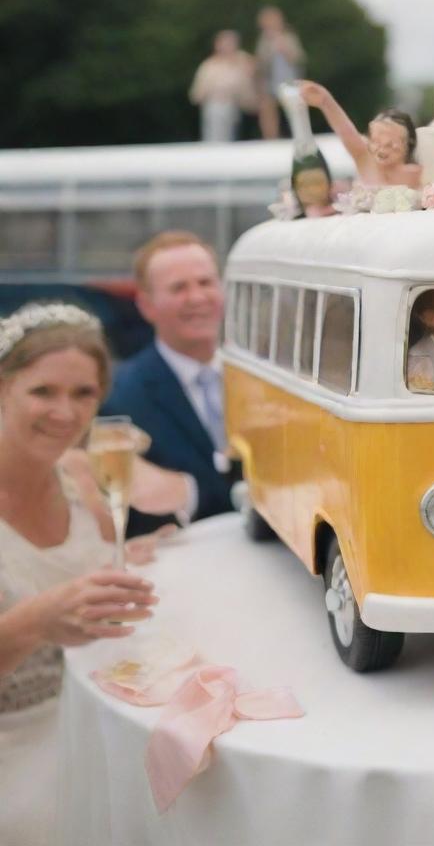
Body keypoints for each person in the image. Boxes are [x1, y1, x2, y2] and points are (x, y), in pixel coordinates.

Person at [0, 303, 166, 846]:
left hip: (100, 711)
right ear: (4, 389)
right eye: (43, 392)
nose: (65, 414)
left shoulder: (78, 473)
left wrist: (129, 557)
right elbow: (50, 609)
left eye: (83, 395)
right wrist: (35, 620)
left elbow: (91, 566)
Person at [102, 231, 238, 535]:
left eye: (205, 282)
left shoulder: (262, 376)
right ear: (147, 305)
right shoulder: (119, 395)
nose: (197, 298)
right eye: (179, 288)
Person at [299, 82, 422, 188]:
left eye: (390, 144)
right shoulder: (365, 160)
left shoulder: (418, 172)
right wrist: (325, 101)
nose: (382, 149)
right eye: (376, 142)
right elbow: (345, 130)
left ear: (408, 143)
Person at [188, 29, 256, 142]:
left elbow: (248, 89)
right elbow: (197, 94)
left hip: (235, 108)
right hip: (215, 107)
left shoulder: (241, 62)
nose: (229, 47)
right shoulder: (209, 66)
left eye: (231, 43)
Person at [255, 6, 305, 140]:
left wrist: (283, 46)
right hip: (270, 82)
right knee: (268, 110)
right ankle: (271, 138)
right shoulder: (263, 40)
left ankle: (301, 136)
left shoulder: (289, 37)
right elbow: (261, 62)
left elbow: (298, 58)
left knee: (295, 110)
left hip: (289, 80)